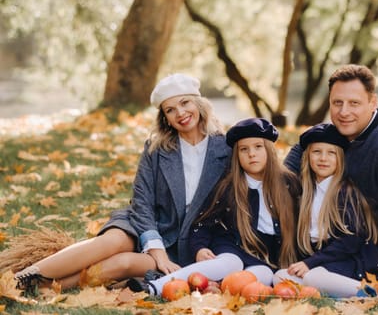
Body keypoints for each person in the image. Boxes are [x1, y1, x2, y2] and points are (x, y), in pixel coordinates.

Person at [14, 73, 232, 290]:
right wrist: (157, 252)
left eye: (185, 103)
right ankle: (23, 277)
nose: (181, 113)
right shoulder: (156, 149)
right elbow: (142, 202)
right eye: (170, 110)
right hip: (142, 224)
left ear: (199, 103)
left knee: (123, 263)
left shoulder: (226, 149)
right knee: (111, 242)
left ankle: (40, 287)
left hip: (185, 246)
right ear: (164, 117)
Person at [284, 64, 378, 290]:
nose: (343, 112)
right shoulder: (339, 134)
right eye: (337, 103)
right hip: (330, 254)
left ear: (373, 103)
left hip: (376, 262)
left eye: (354, 103)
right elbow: (294, 160)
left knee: (310, 280)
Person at [130, 118, 301, 296]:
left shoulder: (290, 184)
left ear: (270, 150)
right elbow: (203, 223)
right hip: (231, 247)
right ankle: (157, 286)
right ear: (236, 155)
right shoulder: (230, 187)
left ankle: (213, 287)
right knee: (231, 263)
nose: (251, 154)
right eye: (244, 149)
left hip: (266, 260)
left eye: (258, 147)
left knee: (264, 276)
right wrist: (200, 248)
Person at [274, 123, 378, 298]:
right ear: (307, 157)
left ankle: (376, 294)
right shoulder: (305, 193)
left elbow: (351, 241)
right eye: (317, 152)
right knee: (281, 277)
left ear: (341, 158)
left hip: (353, 262)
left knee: (313, 276)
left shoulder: (345, 192)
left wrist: (310, 263)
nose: (323, 158)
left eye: (331, 153)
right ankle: (335, 295)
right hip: (325, 262)